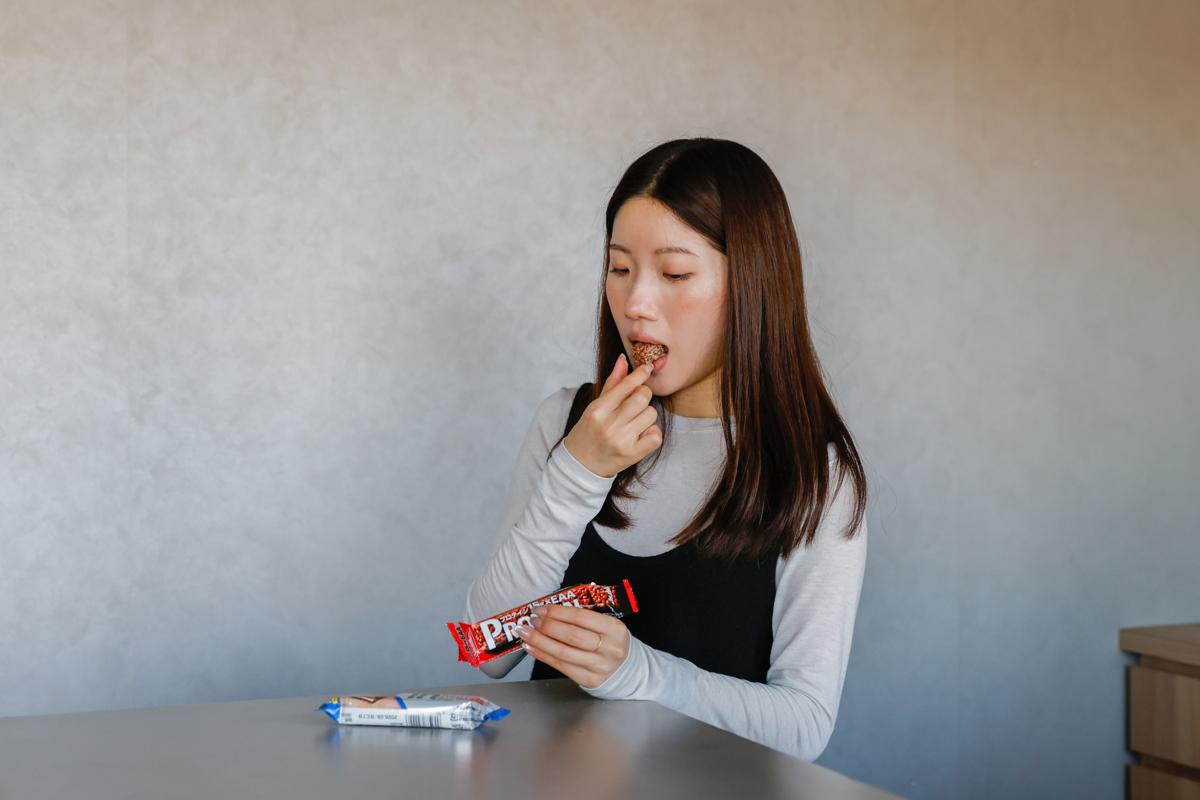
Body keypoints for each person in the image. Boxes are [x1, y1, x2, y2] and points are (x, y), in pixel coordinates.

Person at [464, 137, 869, 762]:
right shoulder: (567, 425)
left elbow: (804, 725)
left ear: (752, 283)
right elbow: (487, 651)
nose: (635, 305)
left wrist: (638, 673)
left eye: (675, 274)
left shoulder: (815, 474)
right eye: (619, 268)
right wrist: (576, 473)